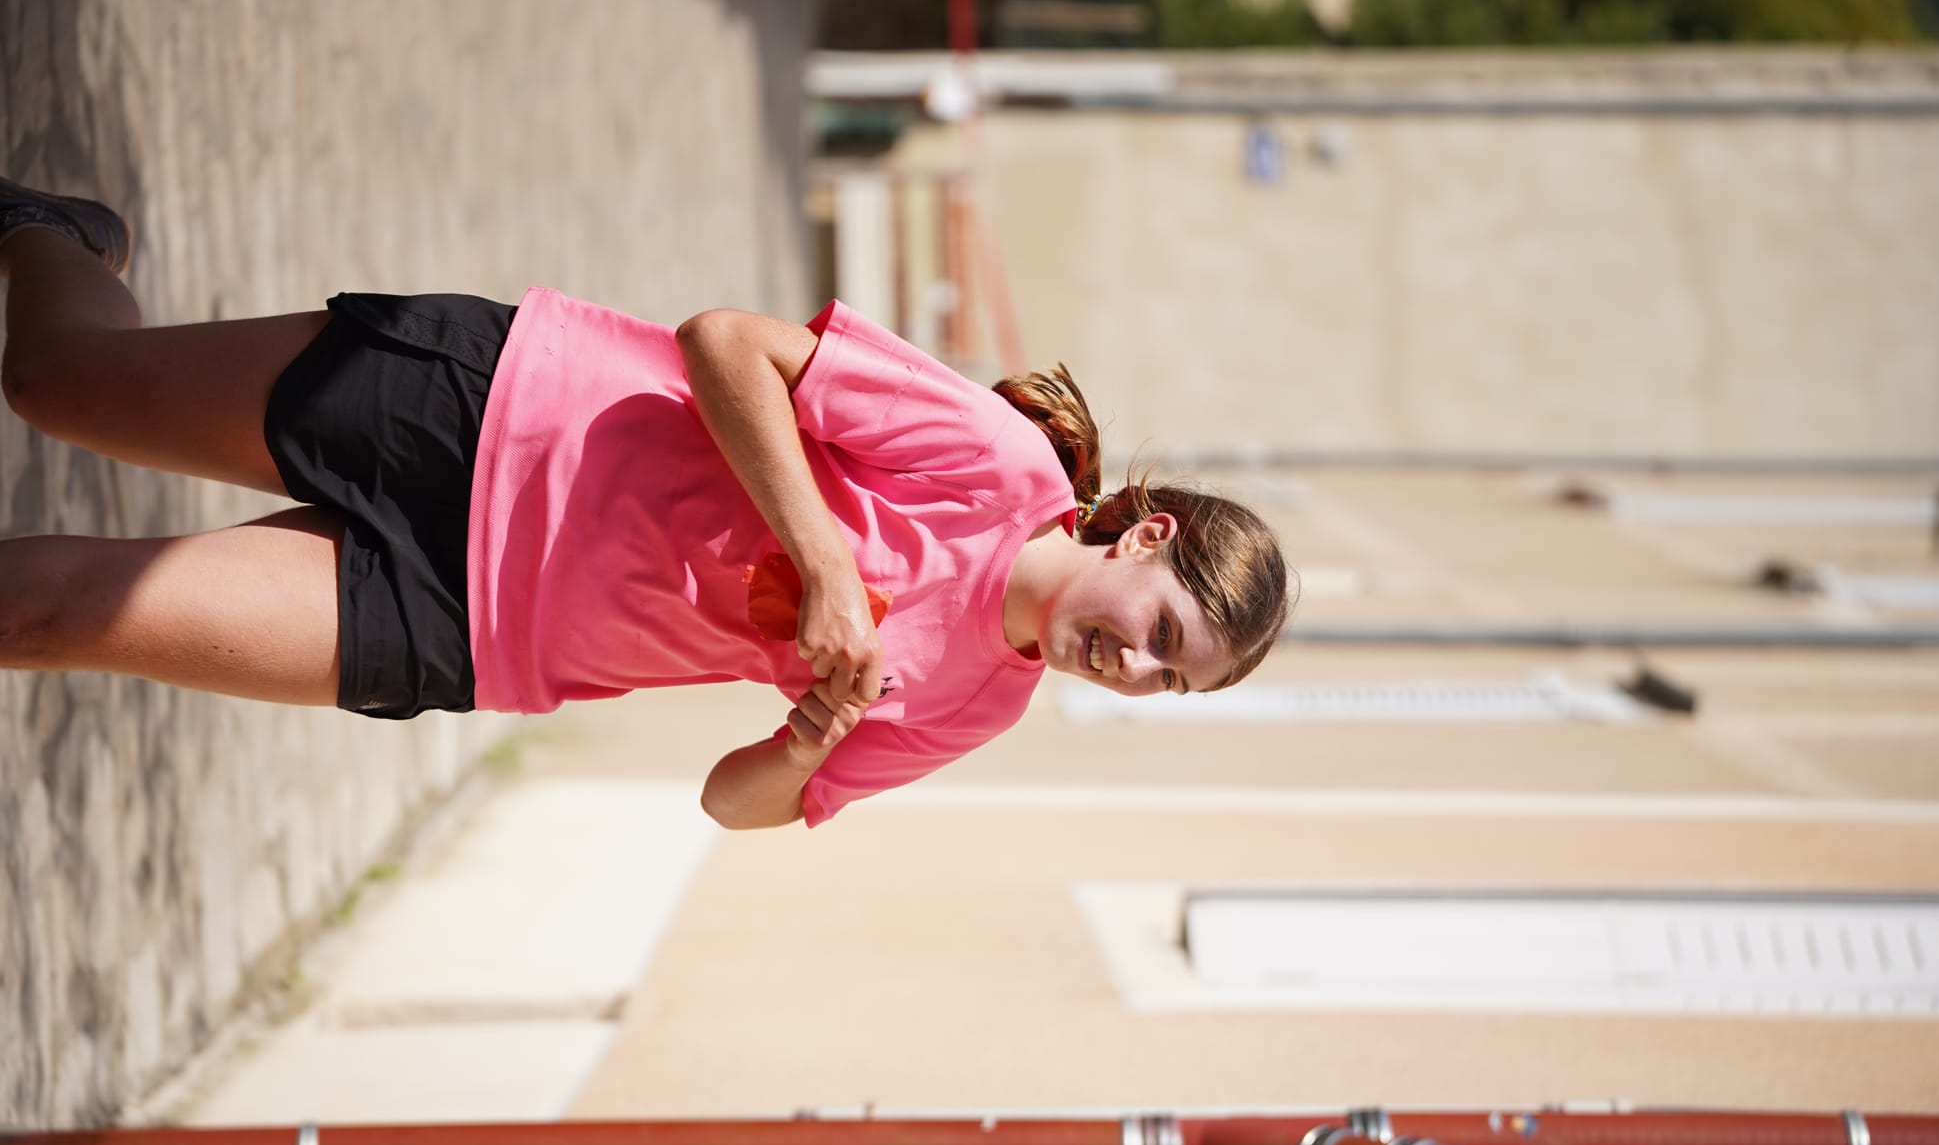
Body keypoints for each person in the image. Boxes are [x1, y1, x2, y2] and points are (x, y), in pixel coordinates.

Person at [0, 177, 1293, 828]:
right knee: (57, 380)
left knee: (48, 613)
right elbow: (724, 343)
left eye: (1167, 682)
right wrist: (825, 566)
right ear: (1147, 536)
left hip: (479, 625)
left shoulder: (975, 706)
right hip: (500, 410)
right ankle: (54, 238)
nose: (1134, 668)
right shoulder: (996, 464)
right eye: (1162, 634)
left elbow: (737, 804)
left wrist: (806, 740)